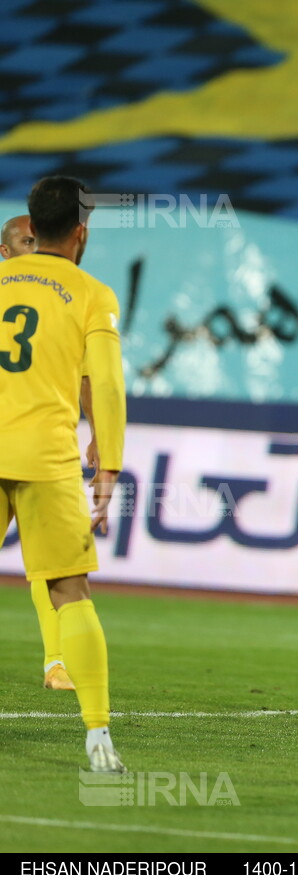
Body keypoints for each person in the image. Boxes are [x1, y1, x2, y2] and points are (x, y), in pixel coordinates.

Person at [0, 177, 127, 771]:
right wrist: (112, 462)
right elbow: (104, 383)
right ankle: (98, 736)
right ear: (80, 232)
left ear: (30, 222)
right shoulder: (92, 293)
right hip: (49, 461)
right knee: (70, 591)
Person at [1, 213, 97, 693]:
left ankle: (56, 662)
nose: (33, 247)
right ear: (5, 251)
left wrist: (100, 431)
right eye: (24, 241)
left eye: (38, 240)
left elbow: (87, 376)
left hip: (42, 453)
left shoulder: (68, 304)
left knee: (52, 568)